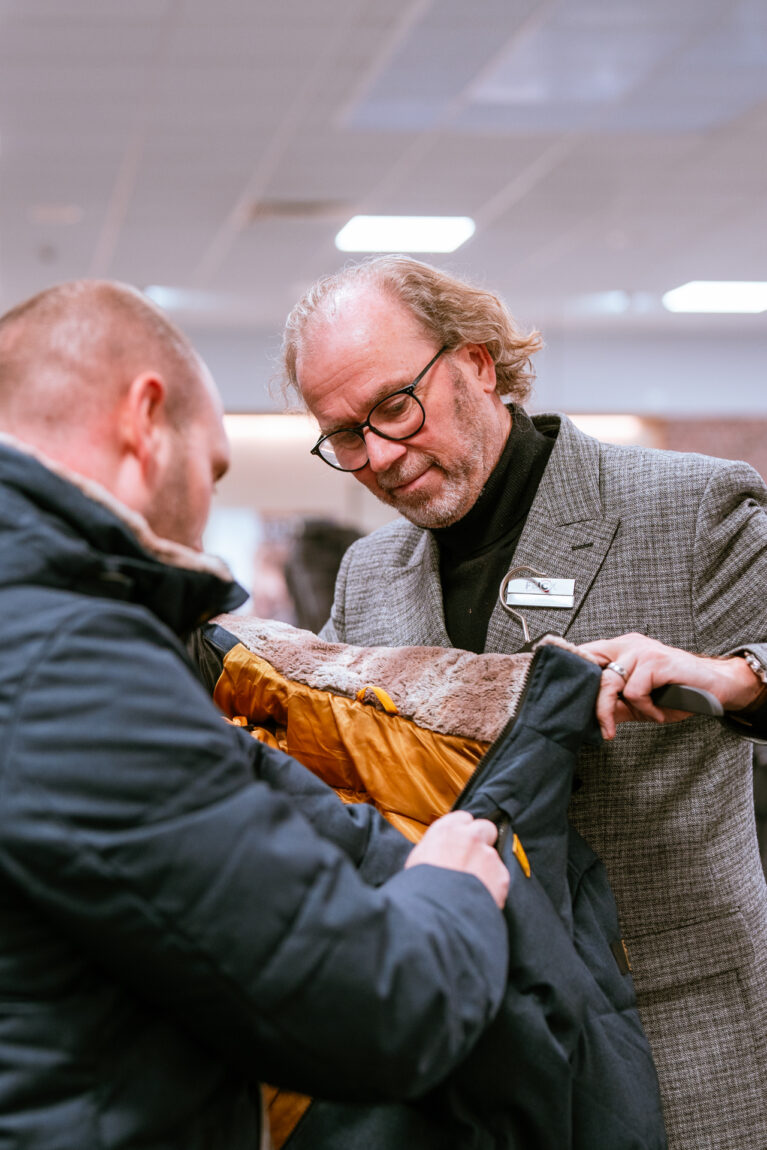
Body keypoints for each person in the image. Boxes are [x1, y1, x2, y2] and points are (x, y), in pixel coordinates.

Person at [0, 279, 513, 1149]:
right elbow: (375, 1007)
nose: (203, 520)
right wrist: (453, 884)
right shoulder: (69, 664)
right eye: (214, 471)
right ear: (143, 419)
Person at [281, 255, 767, 1150]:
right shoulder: (368, 575)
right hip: (479, 1057)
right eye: (344, 435)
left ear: (476, 363)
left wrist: (734, 674)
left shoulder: (689, 507)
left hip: (680, 1039)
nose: (379, 458)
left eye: (393, 407)